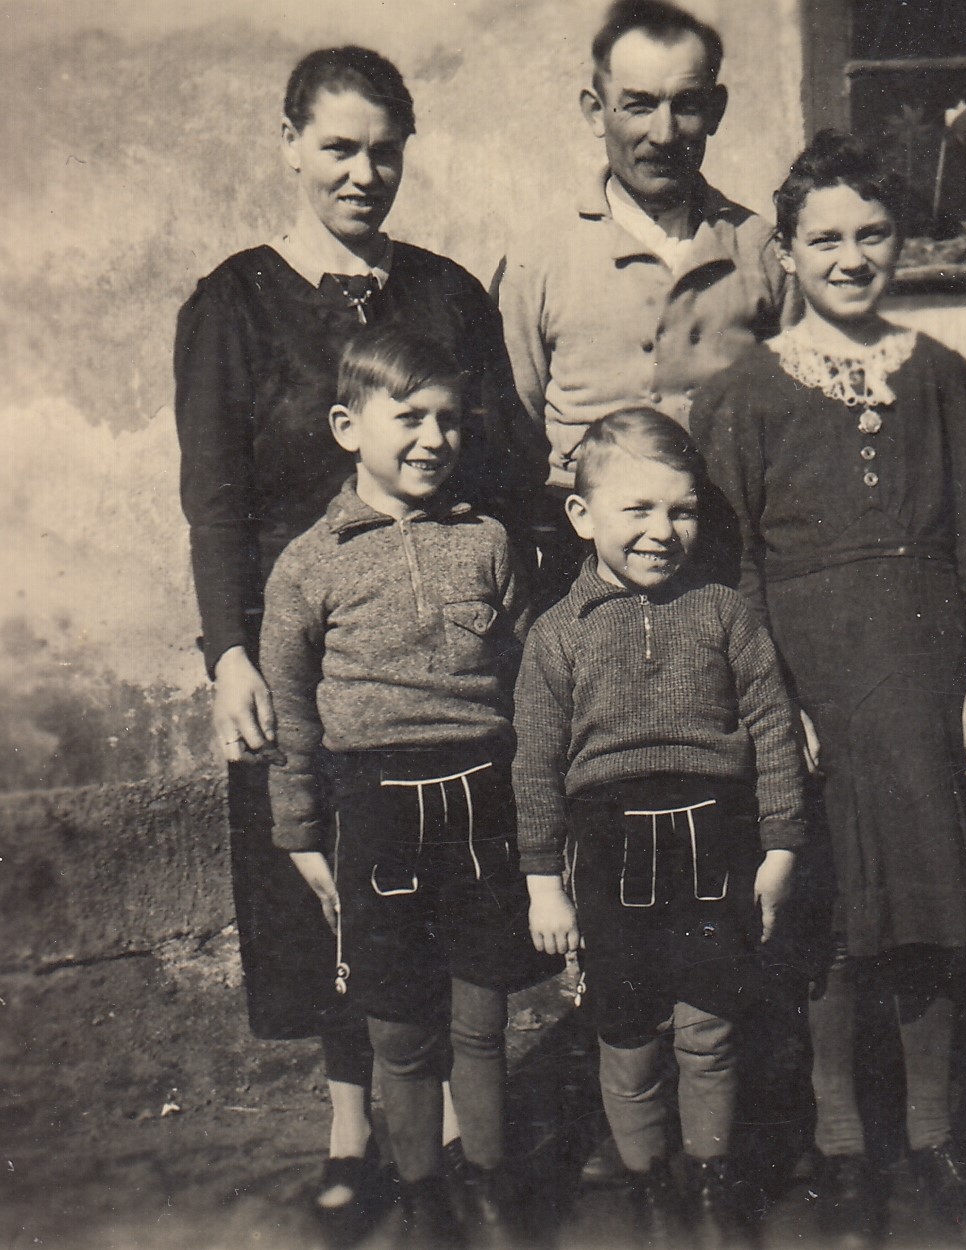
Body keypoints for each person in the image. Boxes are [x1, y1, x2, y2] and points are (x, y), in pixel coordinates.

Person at [172, 45, 542, 1241]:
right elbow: (214, 499)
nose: (362, 172)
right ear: (289, 144)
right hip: (301, 646)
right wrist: (228, 652)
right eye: (337, 146)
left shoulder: (447, 294)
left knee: (447, 894)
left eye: (384, 151)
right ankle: (352, 1135)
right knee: (333, 896)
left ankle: (451, 1135)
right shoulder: (232, 303)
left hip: (433, 654)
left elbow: (501, 461)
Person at [690, 130, 966, 1247]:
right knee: (823, 912)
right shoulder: (741, 396)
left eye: (871, 234)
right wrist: (773, 704)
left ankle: (931, 1137)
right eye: (823, 238)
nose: (850, 257)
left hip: (924, 677)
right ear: (783, 253)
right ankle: (840, 1148)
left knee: (927, 906)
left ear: (899, 242)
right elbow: (732, 571)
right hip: (812, 687)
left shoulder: (941, 376)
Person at [260, 326, 557, 1247]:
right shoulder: (309, 562)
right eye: (410, 418)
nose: (434, 439)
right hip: (374, 810)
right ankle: (422, 1189)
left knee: (481, 1009)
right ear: (348, 427)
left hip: (481, 798)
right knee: (396, 1019)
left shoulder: (490, 542)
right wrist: (301, 831)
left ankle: (489, 1180)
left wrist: (538, 809)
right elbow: (292, 710)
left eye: (450, 420)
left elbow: (526, 683)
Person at [512, 409, 807, 1247]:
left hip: (715, 842)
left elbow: (773, 730)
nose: (661, 531)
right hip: (608, 853)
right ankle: (648, 1179)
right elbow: (534, 767)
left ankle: (710, 1180)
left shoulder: (725, 615)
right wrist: (543, 884)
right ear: (582, 516)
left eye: (681, 511)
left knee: (709, 1025)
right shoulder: (556, 637)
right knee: (628, 1027)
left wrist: (781, 847)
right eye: (636, 509)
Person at [496, 0, 795, 605]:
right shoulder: (539, 260)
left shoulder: (761, 251)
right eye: (637, 104)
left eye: (685, 104)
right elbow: (515, 429)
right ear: (595, 110)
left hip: (725, 558)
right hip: (580, 564)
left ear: (715, 110)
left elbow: (795, 425)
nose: (663, 133)